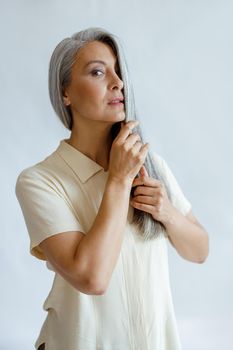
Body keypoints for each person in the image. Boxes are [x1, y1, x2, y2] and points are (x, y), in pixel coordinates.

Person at [15, 27, 209, 350]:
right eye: (98, 72)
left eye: (119, 72)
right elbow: (92, 277)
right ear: (66, 92)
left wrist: (168, 213)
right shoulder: (40, 181)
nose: (118, 83)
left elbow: (200, 250)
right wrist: (118, 181)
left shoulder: (150, 165)